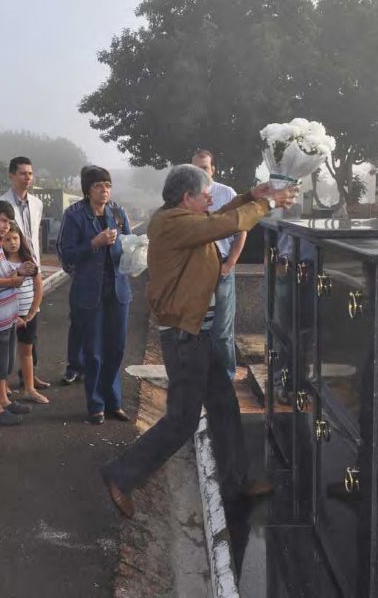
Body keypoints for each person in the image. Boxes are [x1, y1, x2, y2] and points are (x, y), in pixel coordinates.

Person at [100, 164, 296, 518]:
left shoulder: (181, 217)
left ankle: (237, 482)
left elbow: (219, 215)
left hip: (196, 334)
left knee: (224, 406)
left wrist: (252, 195)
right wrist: (268, 204)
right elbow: (224, 224)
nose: (210, 198)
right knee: (182, 419)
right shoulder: (174, 223)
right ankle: (122, 474)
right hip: (184, 337)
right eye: (204, 194)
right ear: (186, 197)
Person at [57, 165, 132, 425]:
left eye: (108, 185)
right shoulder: (75, 215)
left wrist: (137, 253)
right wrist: (94, 244)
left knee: (117, 347)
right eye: (99, 185)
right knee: (94, 351)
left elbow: (129, 244)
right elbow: (66, 254)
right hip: (90, 291)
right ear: (88, 190)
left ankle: (114, 401)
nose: (105, 190)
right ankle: (96, 404)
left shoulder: (117, 212)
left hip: (118, 290)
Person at [0, 156, 50, 389]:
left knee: (30, 327)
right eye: (23, 173)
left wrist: (37, 265)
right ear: (11, 175)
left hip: (31, 266)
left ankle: (29, 376)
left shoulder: (36, 203)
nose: (28, 177)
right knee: (5, 330)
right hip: (9, 268)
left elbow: (34, 235)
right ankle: (0, 384)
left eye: (30, 173)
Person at [191, 149, 247, 381]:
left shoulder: (227, 193)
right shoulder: (185, 196)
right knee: (195, 329)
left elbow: (241, 228)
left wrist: (231, 262)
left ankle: (226, 379)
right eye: (195, 167)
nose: (200, 171)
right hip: (194, 271)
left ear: (213, 169)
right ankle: (200, 377)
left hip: (222, 267)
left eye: (204, 167)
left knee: (222, 330)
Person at [0, 200, 32, 425]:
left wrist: (19, 271)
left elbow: (2, 271)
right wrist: (14, 280)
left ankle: (4, 400)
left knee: (3, 362)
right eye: (2, 220)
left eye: (9, 222)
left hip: (6, 314)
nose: (5, 226)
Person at [1, 223, 48, 404]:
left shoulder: (28, 261)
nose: (12, 243)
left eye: (15, 238)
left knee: (26, 350)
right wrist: (14, 317)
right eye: (7, 239)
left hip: (28, 315)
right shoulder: (2, 263)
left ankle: (29, 388)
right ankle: (2, 385)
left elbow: (38, 287)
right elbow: (5, 284)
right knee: (4, 351)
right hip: (7, 315)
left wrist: (31, 313)